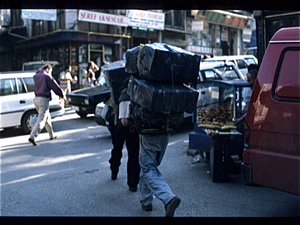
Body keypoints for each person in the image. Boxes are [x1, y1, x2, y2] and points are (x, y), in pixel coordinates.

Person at [108, 87, 140, 192]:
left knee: (117, 149)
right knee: (133, 154)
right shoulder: (130, 93)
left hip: (119, 127)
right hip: (129, 127)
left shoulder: (121, 92)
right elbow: (125, 121)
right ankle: (133, 183)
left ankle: (114, 170)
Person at [28, 64, 66, 146]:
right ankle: (32, 136)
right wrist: (62, 94)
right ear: (48, 69)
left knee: (47, 117)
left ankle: (51, 135)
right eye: (51, 71)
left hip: (36, 99)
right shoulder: (46, 76)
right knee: (42, 119)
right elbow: (55, 86)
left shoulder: (36, 75)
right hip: (43, 100)